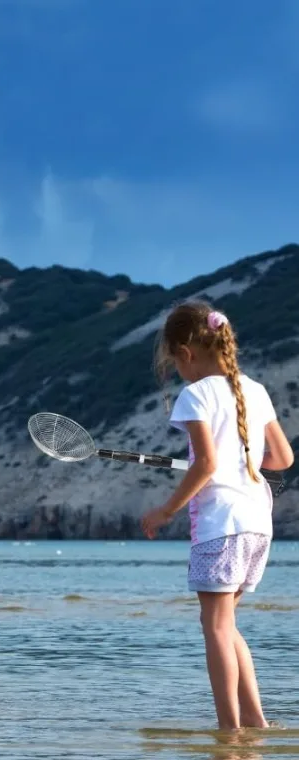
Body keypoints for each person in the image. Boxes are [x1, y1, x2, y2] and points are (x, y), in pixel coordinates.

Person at [141, 302, 293, 730]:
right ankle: (255, 723)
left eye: (175, 362)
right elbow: (281, 457)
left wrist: (165, 511)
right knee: (226, 626)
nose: (178, 371)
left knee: (215, 628)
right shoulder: (256, 390)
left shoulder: (195, 394)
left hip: (221, 525)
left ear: (186, 353)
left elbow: (205, 464)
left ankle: (229, 729)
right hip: (257, 524)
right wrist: (235, 462)